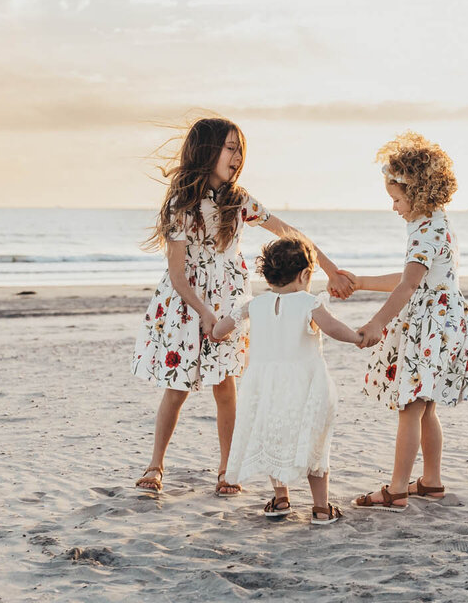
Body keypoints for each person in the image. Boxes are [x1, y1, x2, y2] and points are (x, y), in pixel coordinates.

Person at [131, 116, 353, 493]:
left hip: (230, 302)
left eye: (240, 150)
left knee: (226, 386)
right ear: (207, 150)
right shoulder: (181, 205)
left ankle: (226, 470)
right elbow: (179, 274)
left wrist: (330, 270)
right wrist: (204, 313)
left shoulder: (239, 201)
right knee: (177, 387)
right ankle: (155, 465)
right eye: (229, 148)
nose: (237, 158)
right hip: (188, 305)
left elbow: (289, 233)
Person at [344, 132, 468, 511]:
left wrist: (376, 325)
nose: (394, 207)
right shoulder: (436, 222)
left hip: (429, 326)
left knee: (410, 407)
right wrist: (363, 282)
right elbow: (411, 280)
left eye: (396, 199)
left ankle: (397, 488)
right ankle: (430, 481)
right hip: (446, 321)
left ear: (416, 193)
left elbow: (408, 286)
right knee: (426, 405)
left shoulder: (423, 231)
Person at [210, 236, 365, 525]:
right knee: (313, 441)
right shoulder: (309, 302)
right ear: (305, 274)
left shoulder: (252, 305)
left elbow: (220, 329)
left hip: (264, 387)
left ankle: (281, 498)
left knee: (273, 436)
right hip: (305, 385)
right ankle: (320, 508)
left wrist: (218, 332)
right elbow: (332, 327)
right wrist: (358, 338)